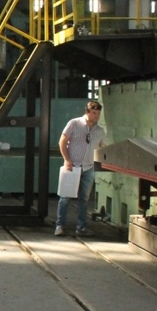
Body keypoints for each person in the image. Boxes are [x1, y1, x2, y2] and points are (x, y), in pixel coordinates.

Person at [55, 101, 106, 237]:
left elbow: (101, 148)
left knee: (84, 198)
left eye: (98, 114)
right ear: (87, 112)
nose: (96, 116)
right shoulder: (74, 124)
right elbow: (62, 142)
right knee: (65, 196)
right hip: (72, 165)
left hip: (89, 167)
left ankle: (81, 227)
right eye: (94, 113)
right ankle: (60, 225)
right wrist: (67, 159)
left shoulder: (99, 131)